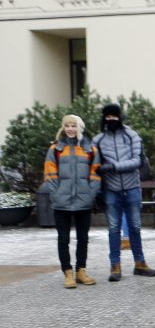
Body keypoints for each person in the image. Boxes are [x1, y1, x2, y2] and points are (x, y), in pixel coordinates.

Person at [93, 103, 155, 281]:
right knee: (113, 229)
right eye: (108, 116)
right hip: (111, 190)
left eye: (114, 116)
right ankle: (115, 266)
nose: (111, 119)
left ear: (120, 117)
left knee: (135, 226)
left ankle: (140, 263)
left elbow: (137, 161)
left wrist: (112, 167)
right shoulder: (98, 140)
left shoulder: (131, 135)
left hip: (132, 188)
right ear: (104, 118)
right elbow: (95, 167)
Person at [44, 114, 100, 288]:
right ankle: (67, 273)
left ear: (79, 128)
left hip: (83, 201)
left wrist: (90, 194)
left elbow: (95, 174)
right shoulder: (56, 149)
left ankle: (81, 271)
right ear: (63, 127)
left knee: (83, 238)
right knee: (63, 239)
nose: (70, 129)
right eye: (67, 125)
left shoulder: (90, 149)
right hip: (62, 202)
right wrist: (56, 194)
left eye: (73, 125)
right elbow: (49, 174)